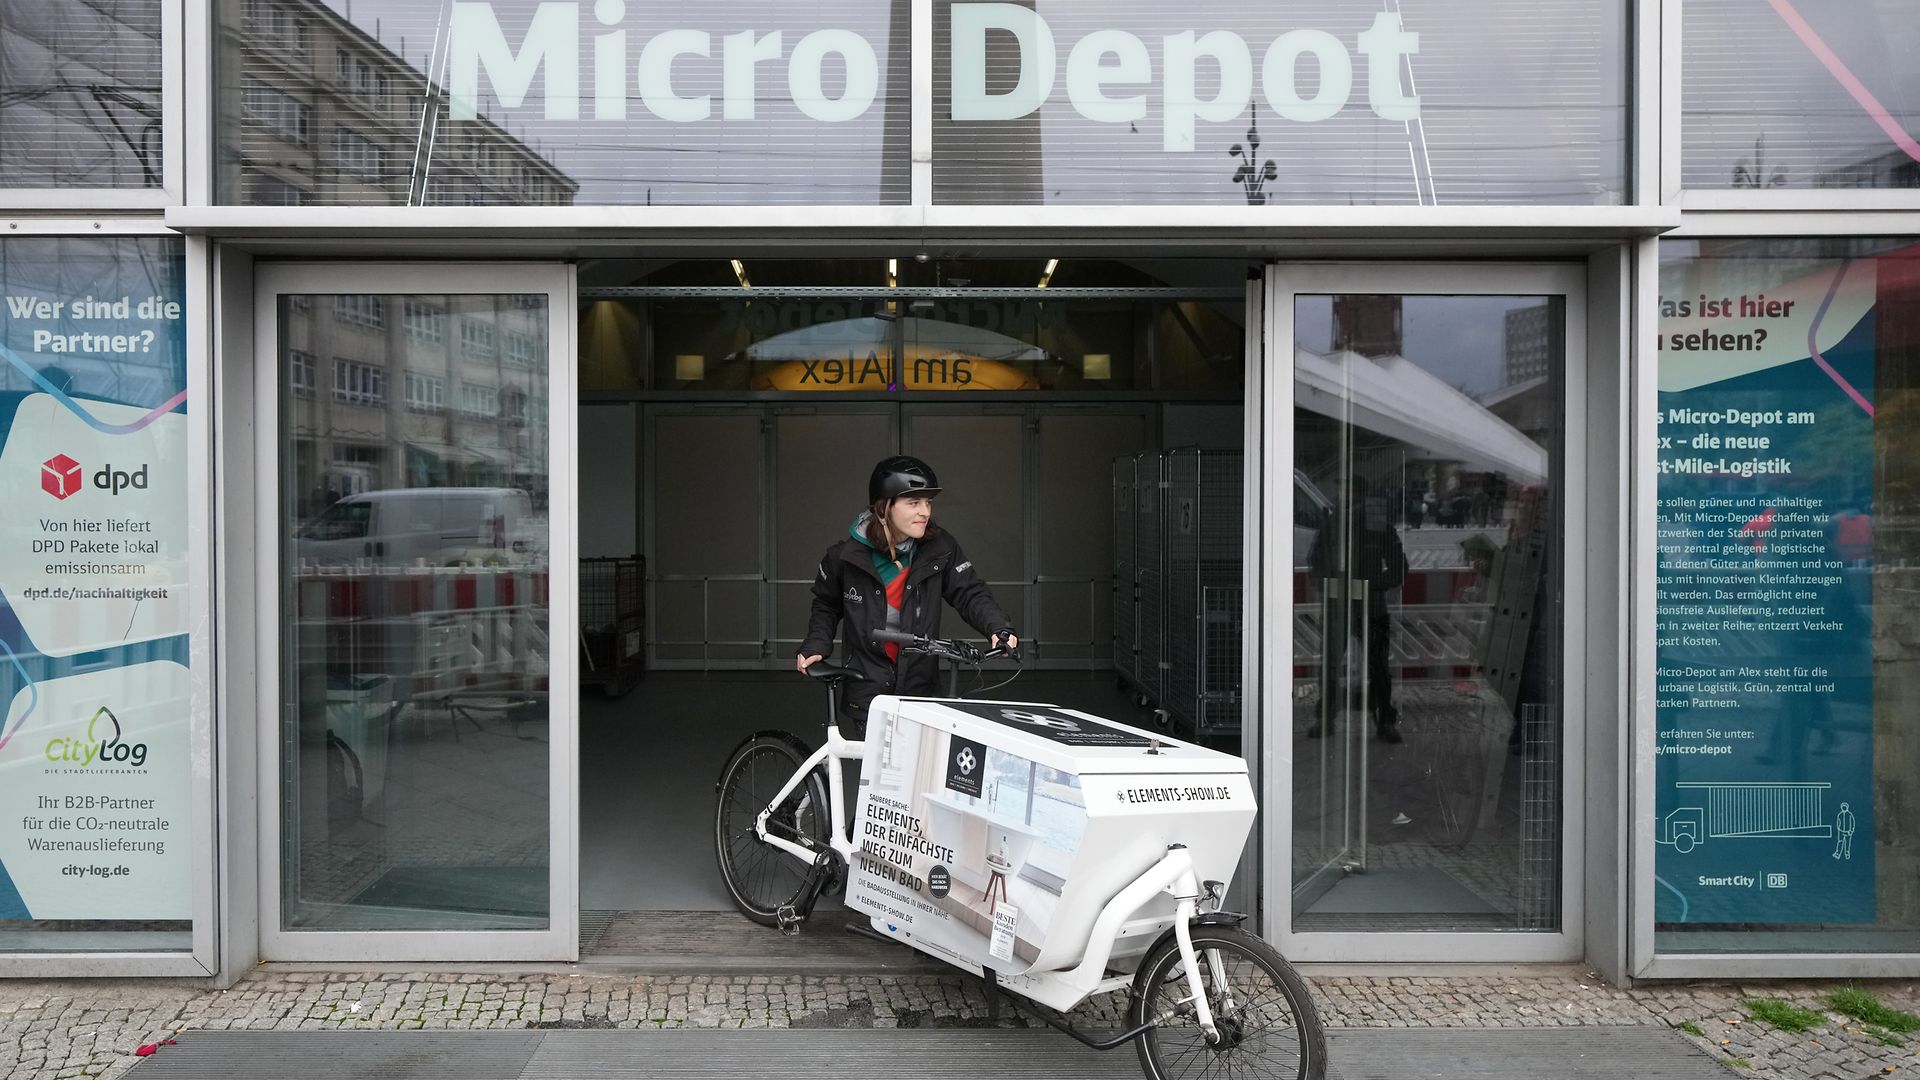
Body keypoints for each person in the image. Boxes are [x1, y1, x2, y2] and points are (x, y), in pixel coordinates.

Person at [797, 455, 1018, 736]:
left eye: (928, 502)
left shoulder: (939, 548)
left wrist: (997, 627)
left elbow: (969, 592)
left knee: (921, 773)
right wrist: (816, 644)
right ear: (884, 507)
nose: (925, 512)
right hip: (868, 686)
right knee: (881, 777)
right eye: (914, 503)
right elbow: (826, 604)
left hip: (920, 686)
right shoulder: (845, 557)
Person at [1308, 474, 1408, 742]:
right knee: (1335, 665)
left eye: (1351, 492)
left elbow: (1399, 567)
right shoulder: (1334, 523)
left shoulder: (1372, 525)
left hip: (1366, 604)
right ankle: (1330, 719)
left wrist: (1371, 585)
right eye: (1344, 491)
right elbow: (1315, 562)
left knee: (1376, 666)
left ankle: (1381, 720)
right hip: (1348, 603)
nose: (1346, 497)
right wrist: (1328, 582)